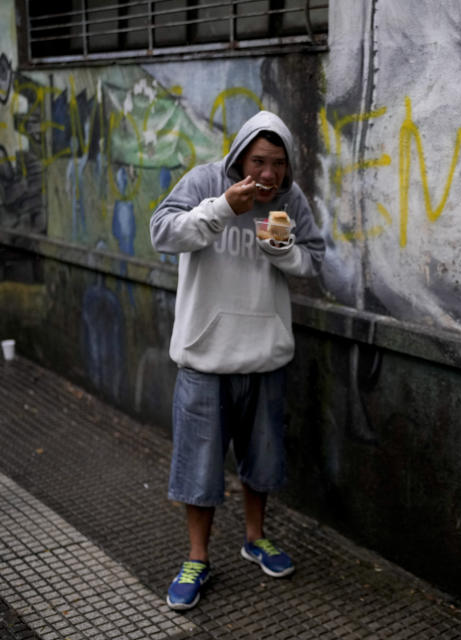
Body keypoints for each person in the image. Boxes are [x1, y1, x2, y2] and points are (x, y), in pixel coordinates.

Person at [150, 110, 325, 611]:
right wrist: (222, 208)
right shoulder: (205, 181)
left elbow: (313, 260)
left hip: (265, 357)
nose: (268, 175)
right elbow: (163, 234)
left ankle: (255, 538)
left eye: (278, 164)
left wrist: (280, 246)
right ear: (239, 158)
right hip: (204, 359)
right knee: (198, 468)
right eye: (258, 162)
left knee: (263, 462)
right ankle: (198, 558)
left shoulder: (290, 200)